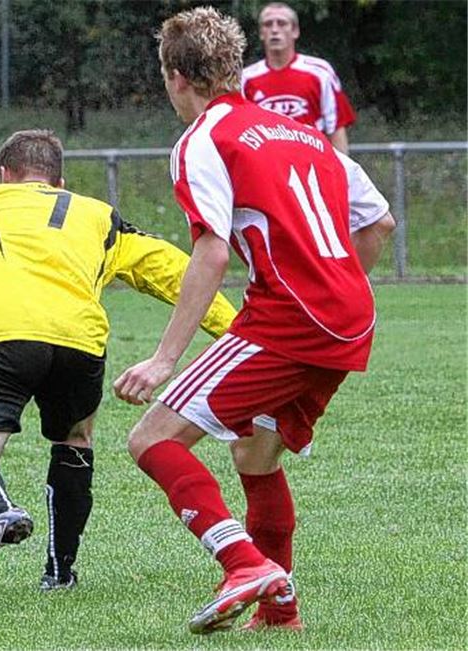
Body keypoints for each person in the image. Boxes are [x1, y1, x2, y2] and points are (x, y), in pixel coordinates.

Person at [113, 7, 394, 634]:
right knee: (255, 451)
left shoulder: (204, 139)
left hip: (288, 319)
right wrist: (336, 290)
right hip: (351, 319)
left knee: (151, 439)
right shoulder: (307, 137)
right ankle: (278, 611)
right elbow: (379, 224)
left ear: (177, 77)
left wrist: (163, 359)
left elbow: (210, 249)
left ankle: (242, 564)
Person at [0, 129, 237, 589]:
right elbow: (173, 270)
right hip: (78, 341)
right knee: (75, 438)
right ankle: (60, 572)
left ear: (4, 174)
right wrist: (239, 331)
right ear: (59, 181)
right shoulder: (99, 216)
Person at [241, 2, 356, 154]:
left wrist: (342, 174)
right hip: (268, 168)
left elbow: (335, 127)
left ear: (295, 31)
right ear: (261, 33)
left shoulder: (320, 72)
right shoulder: (246, 79)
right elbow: (241, 132)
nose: (275, 30)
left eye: (282, 23)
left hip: (313, 165)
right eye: (268, 24)